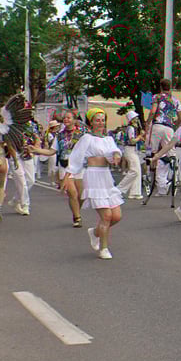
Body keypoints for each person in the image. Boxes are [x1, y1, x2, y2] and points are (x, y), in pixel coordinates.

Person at [64, 108, 124, 259]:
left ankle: (95, 232)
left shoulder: (108, 139)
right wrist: (67, 176)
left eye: (103, 119)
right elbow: (76, 157)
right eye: (97, 120)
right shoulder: (87, 138)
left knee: (116, 216)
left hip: (106, 177)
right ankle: (103, 248)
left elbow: (115, 151)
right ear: (91, 122)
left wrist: (116, 155)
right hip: (93, 176)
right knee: (107, 216)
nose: (101, 122)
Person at [146, 79, 181, 196]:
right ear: (170, 86)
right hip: (169, 127)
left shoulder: (157, 97)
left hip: (157, 125)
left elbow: (153, 111)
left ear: (160, 87)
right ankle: (173, 178)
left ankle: (153, 179)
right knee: (170, 152)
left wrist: (148, 122)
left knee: (154, 151)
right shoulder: (175, 100)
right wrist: (174, 126)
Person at [54, 113, 85, 227]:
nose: (66, 119)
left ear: (74, 120)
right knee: (72, 193)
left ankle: (76, 210)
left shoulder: (82, 134)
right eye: (64, 118)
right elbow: (52, 151)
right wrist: (37, 150)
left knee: (81, 196)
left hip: (79, 166)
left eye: (69, 117)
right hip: (65, 165)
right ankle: (77, 217)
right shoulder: (59, 135)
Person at [116, 109, 144, 200]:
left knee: (137, 171)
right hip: (130, 149)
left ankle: (135, 192)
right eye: (135, 118)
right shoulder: (131, 128)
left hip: (132, 150)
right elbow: (132, 140)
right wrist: (140, 136)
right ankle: (119, 189)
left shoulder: (132, 128)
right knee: (134, 171)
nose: (137, 119)